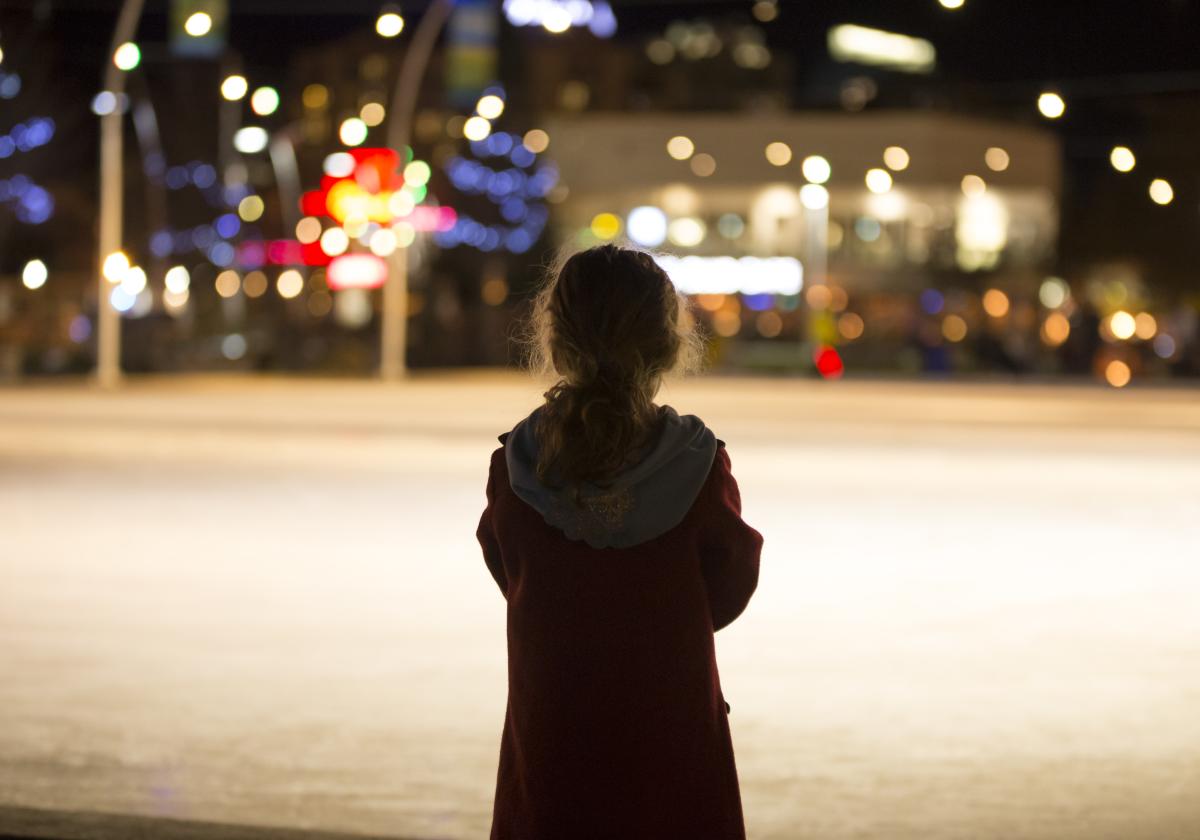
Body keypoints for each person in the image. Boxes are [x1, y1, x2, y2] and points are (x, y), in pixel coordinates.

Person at [476, 244, 764, 840]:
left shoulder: (517, 465)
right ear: (666, 341)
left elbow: (508, 567)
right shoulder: (697, 463)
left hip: (553, 722)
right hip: (670, 720)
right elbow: (731, 580)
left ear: (555, 338)